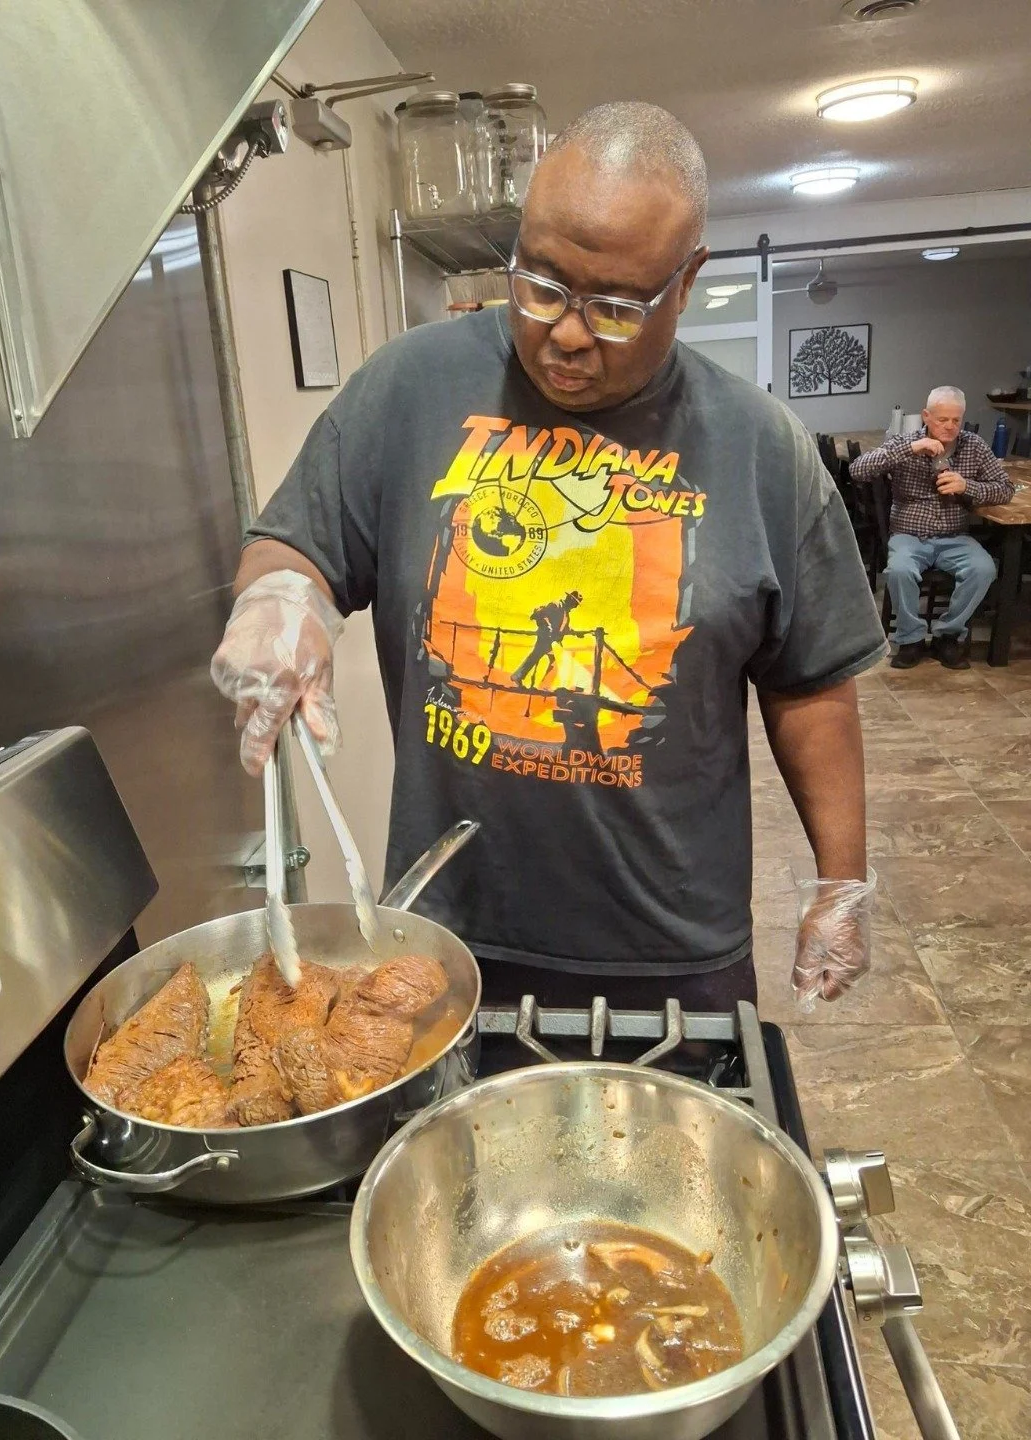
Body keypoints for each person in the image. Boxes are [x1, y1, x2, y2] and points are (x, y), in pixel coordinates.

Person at [211, 102, 886, 1013]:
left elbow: (809, 686)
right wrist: (280, 599)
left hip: (672, 945)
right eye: (541, 283)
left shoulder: (762, 445)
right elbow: (297, 541)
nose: (566, 333)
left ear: (687, 284)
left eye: (614, 307)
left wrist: (841, 883)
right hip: (447, 933)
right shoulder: (408, 390)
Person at [850, 387, 1014, 670]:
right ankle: (911, 639)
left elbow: (1005, 488)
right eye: (942, 419)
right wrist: (911, 448)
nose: (949, 426)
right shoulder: (906, 442)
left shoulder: (973, 446)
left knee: (984, 568)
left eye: (956, 420)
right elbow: (858, 470)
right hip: (908, 535)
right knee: (900, 570)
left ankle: (947, 635)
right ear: (926, 416)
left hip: (955, 536)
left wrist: (968, 486)